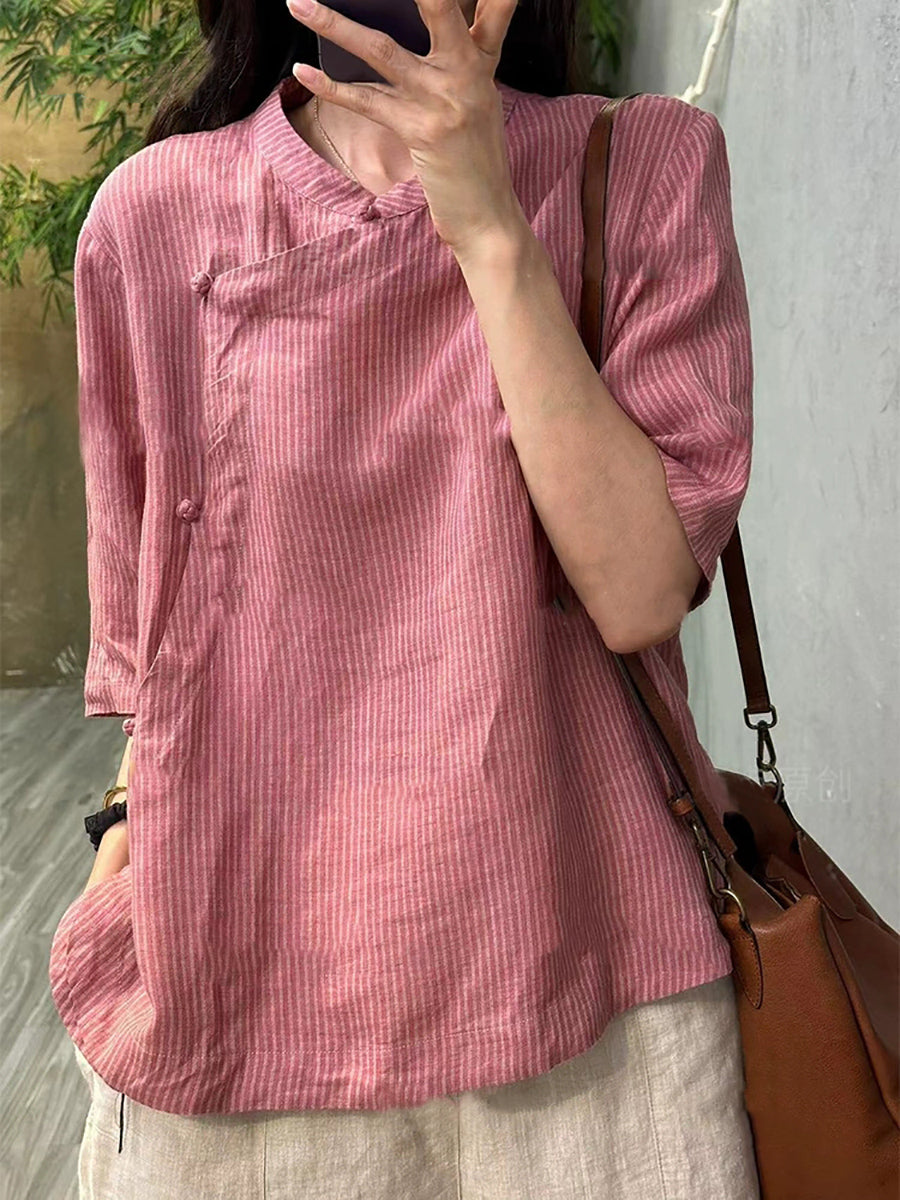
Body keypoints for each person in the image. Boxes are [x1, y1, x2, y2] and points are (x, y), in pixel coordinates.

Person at [50, 0, 761, 1195]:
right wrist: (123, 837)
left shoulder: (641, 165)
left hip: (592, 967)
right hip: (245, 969)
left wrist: (488, 227)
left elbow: (641, 590)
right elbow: (159, 642)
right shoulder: (152, 216)